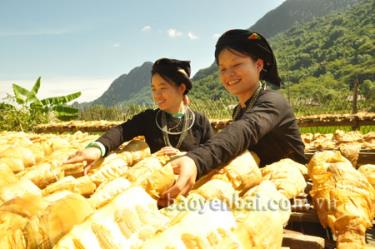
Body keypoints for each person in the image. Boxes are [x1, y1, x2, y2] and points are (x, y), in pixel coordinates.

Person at [159, 29, 307, 206]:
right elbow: (233, 144)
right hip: (257, 181)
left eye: (236, 65)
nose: (228, 74)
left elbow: (245, 130)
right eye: (223, 68)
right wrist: (191, 155)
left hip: (288, 186)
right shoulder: (239, 110)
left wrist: (196, 160)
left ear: (258, 65)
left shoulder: (273, 102)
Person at [65, 58, 214, 169]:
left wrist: (186, 156)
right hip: (152, 186)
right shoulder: (149, 119)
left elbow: (212, 153)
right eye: (153, 89)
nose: (157, 95)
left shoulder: (200, 121)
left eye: (163, 88)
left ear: (181, 88)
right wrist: (97, 148)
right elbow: (121, 131)